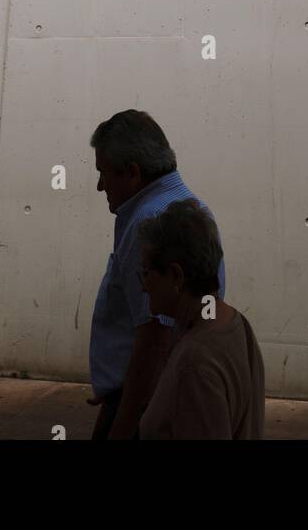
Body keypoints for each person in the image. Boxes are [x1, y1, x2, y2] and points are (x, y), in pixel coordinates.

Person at [88, 110, 225, 441]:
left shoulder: (150, 223)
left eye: (103, 174)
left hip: (144, 404)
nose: (99, 186)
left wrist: (122, 424)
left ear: (133, 173)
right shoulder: (185, 206)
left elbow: (155, 339)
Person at [138, 200, 265, 440]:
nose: (144, 287)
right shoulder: (235, 324)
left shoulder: (194, 365)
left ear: (176, 275)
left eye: (146, 273)